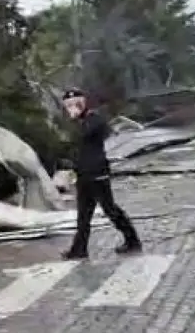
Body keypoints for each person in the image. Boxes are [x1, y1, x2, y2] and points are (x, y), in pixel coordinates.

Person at [61, 88, 142, 260]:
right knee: (83, 214)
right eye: (68, 105)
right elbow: (68, 143)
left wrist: (74, 121)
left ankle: (132, 239)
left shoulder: (95, 120)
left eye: (76, 104)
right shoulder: (75, 122)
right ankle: (79, 249)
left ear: (84, 103)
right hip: (82, 173)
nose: (72, 108)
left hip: (97, 172)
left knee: (110, 209)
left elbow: (84, 135)